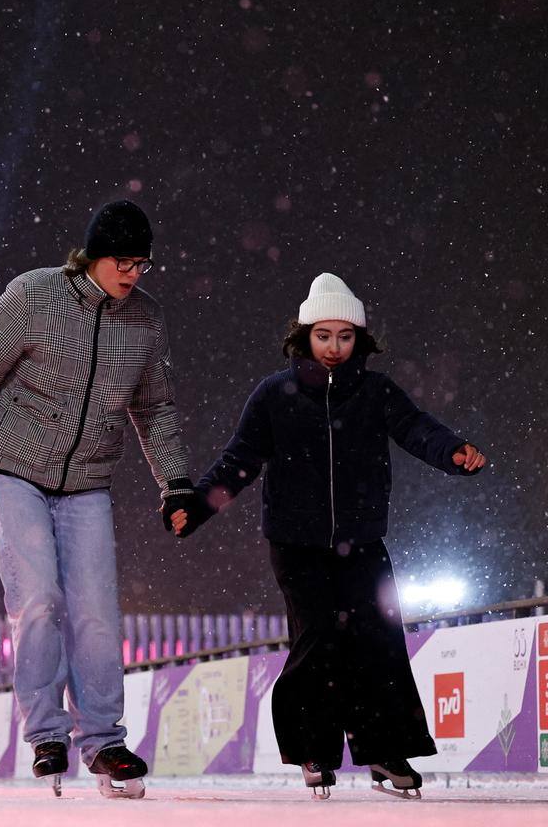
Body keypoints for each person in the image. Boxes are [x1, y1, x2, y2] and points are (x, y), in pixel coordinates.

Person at [0, 200, 200, 798]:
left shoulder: (145, 321)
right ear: (93, 257)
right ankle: (47, 732)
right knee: (39, 597)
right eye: (122, 262)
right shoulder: (35, 297)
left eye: (141, 265)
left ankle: (104, 740)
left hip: (88, 481)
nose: (132, 275)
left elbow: (156, 409)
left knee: (97, 610)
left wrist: (175, 484)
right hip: (16, 469)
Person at [175, 272, 488, 799]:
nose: (334, 348)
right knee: (317, 638)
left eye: (345, 337)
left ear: (360, 340)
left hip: (362, 540)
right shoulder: (274, 394)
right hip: (296, 545)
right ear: (304, 337)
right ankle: (314, 750)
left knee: (379, 640)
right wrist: (199, 506)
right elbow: (240, 460)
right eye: (324, 336)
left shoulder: (376, 391)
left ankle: (387, 752)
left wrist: (453, 452)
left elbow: (417, 429)